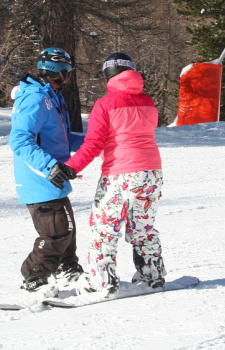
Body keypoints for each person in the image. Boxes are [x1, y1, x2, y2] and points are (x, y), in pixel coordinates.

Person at [63, 52, 164, 296]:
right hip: (151, 173)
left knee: (104, 227)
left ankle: (102, 282)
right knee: (143, 225)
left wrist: (71, 167)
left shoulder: (105, 104)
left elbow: (94, 143)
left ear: (108, 74)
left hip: (120, 174)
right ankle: (152, 276)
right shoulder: (148, 101)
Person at [9, 47, 87, 297]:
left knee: (67, 231)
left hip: (54, 179)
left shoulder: (52, 96)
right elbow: (20, 140)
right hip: (39, 178)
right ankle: (34, 277)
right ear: (57, 70)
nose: (66, 79)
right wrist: (49, 166)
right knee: (56, 233)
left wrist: (95, 142)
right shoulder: (34, 98)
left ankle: (68, 271)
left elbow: (60, 138)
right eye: (65, 73)